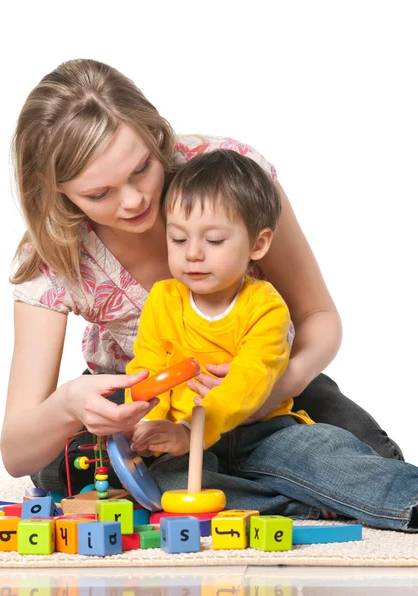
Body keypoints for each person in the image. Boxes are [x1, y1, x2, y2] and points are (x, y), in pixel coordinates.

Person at [1, 58, 402, 500]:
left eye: (141, 170)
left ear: (154, 132)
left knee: (377, 464)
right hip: (152, 404)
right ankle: (282, 489)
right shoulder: (51, 254)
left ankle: (251, 482)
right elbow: (17, 453)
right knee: (66, 472)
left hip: (263, 375)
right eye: (99, 194)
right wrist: (68, 403)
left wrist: (270, 392)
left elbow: (318, 316)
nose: (134, 200)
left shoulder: (228, 175)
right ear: (52, 184)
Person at [126, 149, 314, 457]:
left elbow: (249, 379)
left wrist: (194, 432)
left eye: (213, 241)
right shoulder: (163, 299)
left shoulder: (265, 306)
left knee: (322, 452)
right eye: (178, 239)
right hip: (182, 434)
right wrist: (148, 423)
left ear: (258, 244)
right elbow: (148, 369)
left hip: (258, 428)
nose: (193, 254)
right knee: (168, 479)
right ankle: (282, 500)